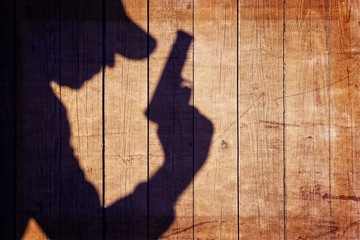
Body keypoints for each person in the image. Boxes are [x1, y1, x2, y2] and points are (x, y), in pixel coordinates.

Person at [16, 0, 213, 238]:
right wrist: (177, 170)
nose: (110, 61)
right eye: (104, 40)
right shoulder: (35, 111)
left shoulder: (38, 106)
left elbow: (82, 230)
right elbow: (87, 234)